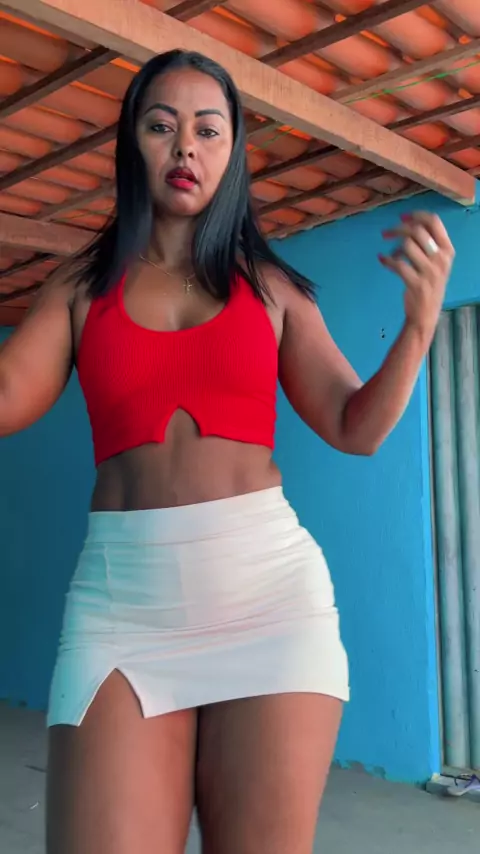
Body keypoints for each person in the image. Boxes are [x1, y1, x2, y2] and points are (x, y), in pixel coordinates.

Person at [0, 49, 454, 854]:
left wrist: (419, 327)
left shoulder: (273, 289)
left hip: (269, 603)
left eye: (208, 131)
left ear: (233, 151)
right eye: (161, 126)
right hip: (122, 609)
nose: (186, 147)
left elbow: (355, 426)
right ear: (132, 145)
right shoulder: (79, 288)